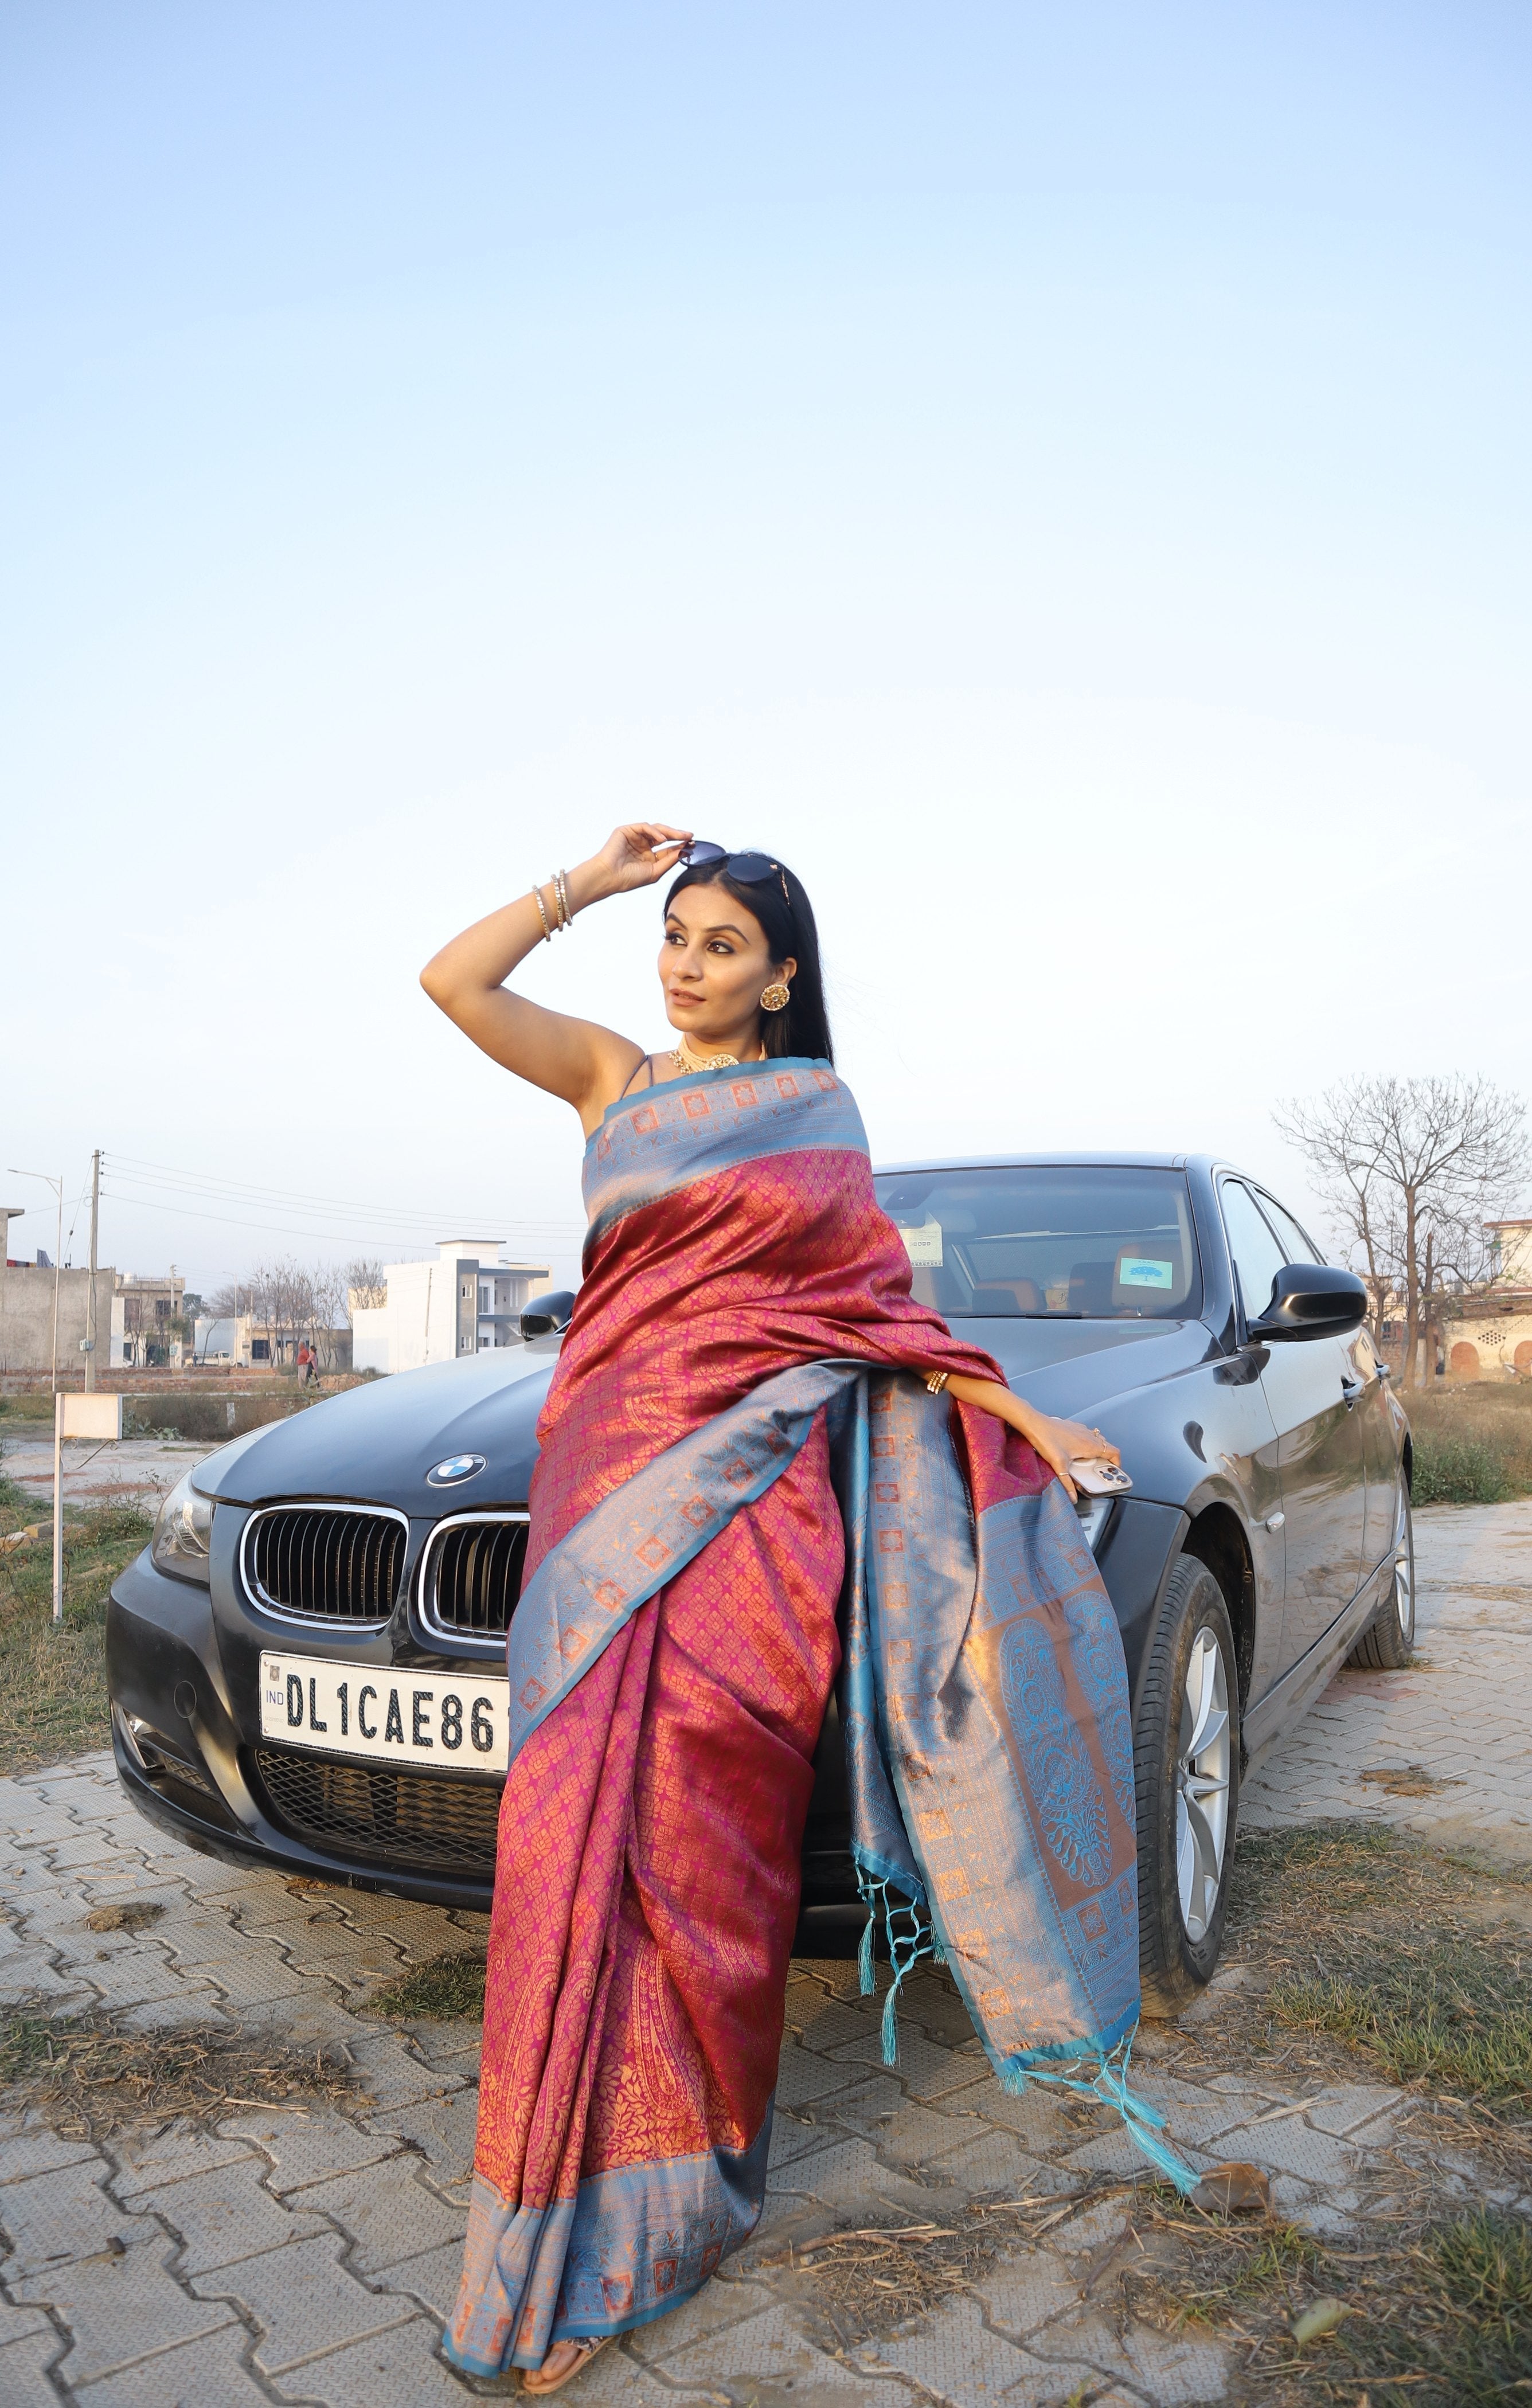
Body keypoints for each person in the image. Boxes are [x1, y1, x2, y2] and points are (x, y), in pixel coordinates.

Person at [420, 826, 1136, 2395]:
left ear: (783, 976)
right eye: (674, 936)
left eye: (721, 945)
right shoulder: (613, 1077)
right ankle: (545, 2227)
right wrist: (587, 883)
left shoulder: (818, 1118)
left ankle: (672, 2210)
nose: (685, 964)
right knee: (568, 1858)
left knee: (703, 1859)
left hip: (755, 1520)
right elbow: (451, 980)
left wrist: (1024, 1422)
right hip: (603, 1508)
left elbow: (867, 1316)